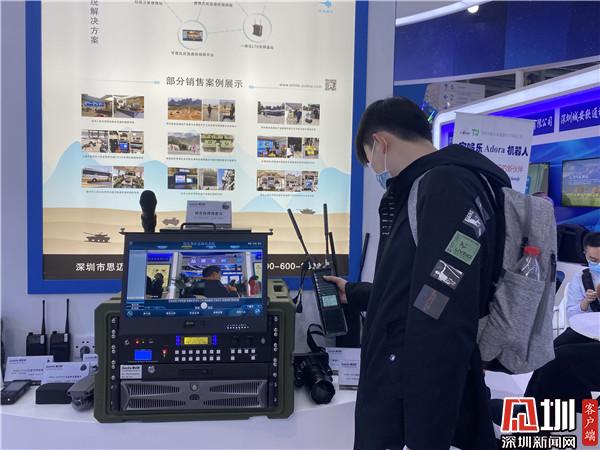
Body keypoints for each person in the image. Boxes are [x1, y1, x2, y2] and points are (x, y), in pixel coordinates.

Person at [324, 97, 510, 450]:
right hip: (403, 381)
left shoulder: (446, 186)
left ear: (380, 142)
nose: (376, 170)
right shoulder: (433, 184)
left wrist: (425, 435)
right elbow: (418, 286)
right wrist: (357, 293)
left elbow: (441, 305)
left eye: (369, 160)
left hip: (410, 391)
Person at [554, 232, 600, 347]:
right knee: (556, 348)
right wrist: (586, 301)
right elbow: (572, 315)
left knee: (568, 354)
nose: (599, 264)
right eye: (594, 260)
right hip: (587, 329)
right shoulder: (581, 278)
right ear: (585, 255)